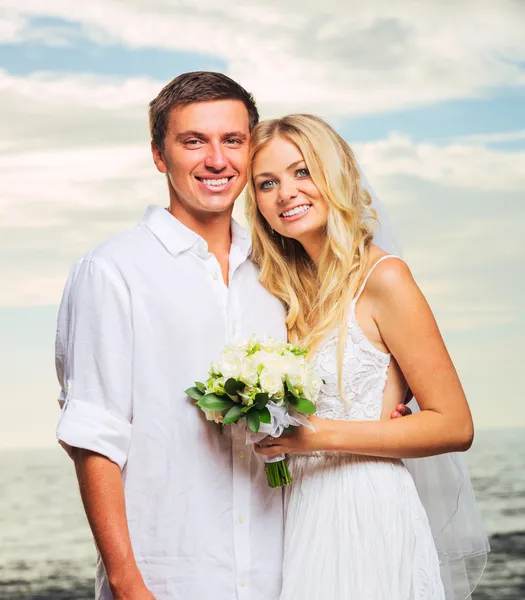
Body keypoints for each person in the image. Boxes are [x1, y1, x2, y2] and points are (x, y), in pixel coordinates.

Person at [54, 73, 411, 600]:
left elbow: (346, 356)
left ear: (249, 150)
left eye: (232, 140)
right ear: (159, 155)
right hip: (172, 575)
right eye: (193, 141)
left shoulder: (279, 276)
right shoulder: (112, 271)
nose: (216, 160)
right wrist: (129, 582)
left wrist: (393, 399)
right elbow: (94, 436)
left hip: (287, 571)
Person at [247, 114, 487, 599]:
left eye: (302, 171)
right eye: (266, 183)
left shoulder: (385, 279)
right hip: (297, 510)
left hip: (365, 511)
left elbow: (455, 425)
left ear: (335, 175)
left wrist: (315, 437)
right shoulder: (284, 293)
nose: (285, 193)